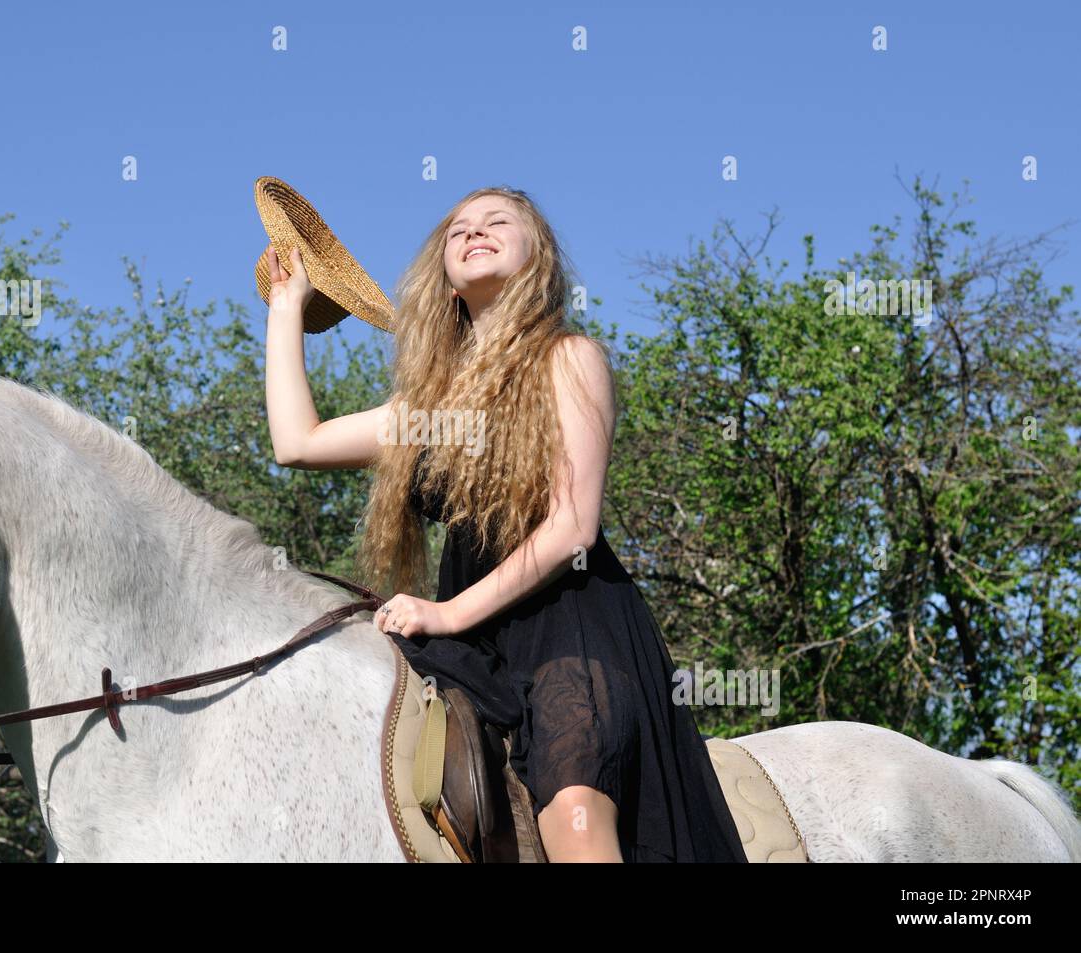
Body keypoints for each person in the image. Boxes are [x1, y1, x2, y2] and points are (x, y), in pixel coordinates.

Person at [264, 186, 747, 863]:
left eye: (498, 222)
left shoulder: (569, 358)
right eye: (458, 228)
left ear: (536, 260)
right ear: (447, 280)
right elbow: (298, 442)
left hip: (569, 628)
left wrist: (447, 613)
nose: (474, 232)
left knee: (573, 811)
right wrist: (286, 309)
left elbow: (573, 525)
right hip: (474, 645)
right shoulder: (426, 406)